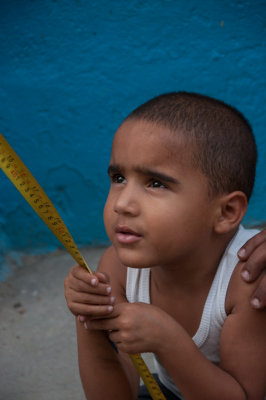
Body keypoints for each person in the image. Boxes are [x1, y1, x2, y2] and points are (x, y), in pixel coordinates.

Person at [64, 92, 266, 400]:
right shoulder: (117, 268)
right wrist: (88, 320)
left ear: (225, 212)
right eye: (118, 178)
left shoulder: (249, 281)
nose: (123, 203)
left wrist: (168, 342)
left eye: (155, 183)